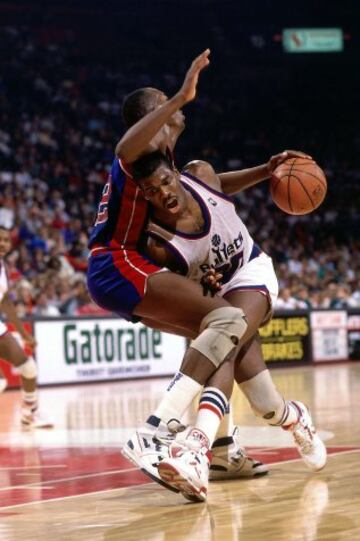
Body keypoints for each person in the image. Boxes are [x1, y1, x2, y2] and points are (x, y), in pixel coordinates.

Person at [126, 150, 327, 501]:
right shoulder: (158, 242)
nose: (163, 193)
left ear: (176, 172)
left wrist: (265, 171)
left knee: (224, 342)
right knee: (265, 404)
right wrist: (204, 278)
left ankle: (197, 444)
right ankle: (295, 416)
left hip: (252, 273)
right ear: (143, 195)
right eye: (152, 191)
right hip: (220, 298)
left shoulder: (201, 173)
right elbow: (186, 287)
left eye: (165, 182)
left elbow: (221, 185)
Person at [0, 226, 53, 429]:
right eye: (0, 239)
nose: (3, 243)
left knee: (29, 367)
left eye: (6, 240)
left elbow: (5, 303)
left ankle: (29, 413)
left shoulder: (3, 267)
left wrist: (25, 335)